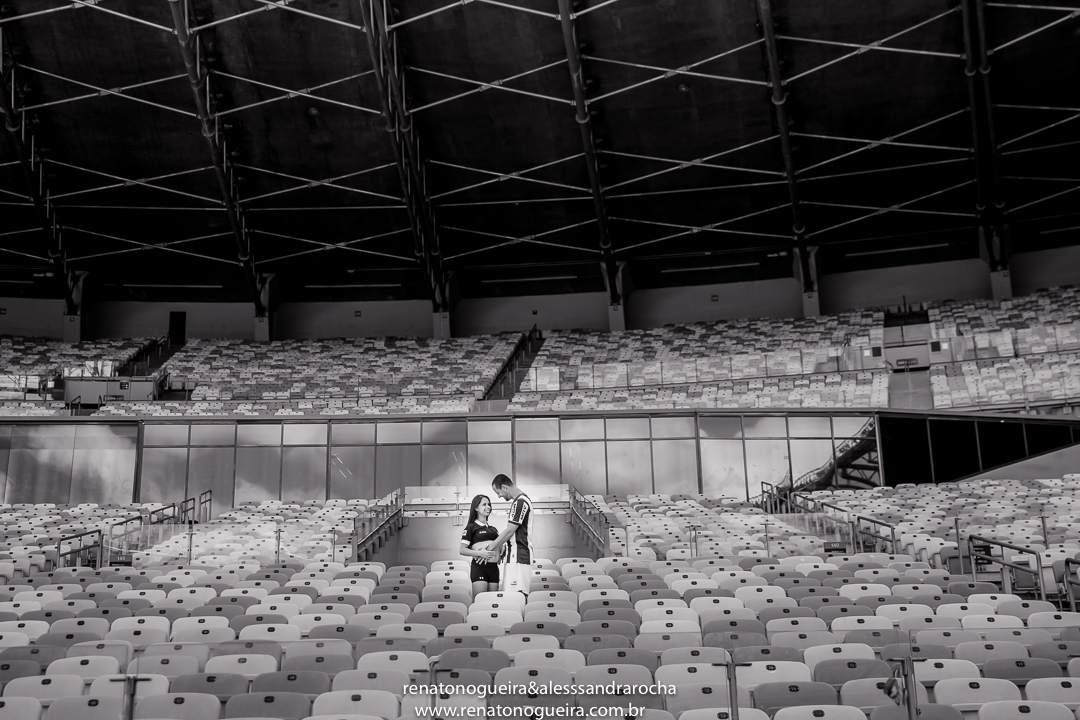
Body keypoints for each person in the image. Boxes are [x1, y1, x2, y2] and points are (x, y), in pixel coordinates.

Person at [486, 473, 532, 598]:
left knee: (517, 598)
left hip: (519, 556)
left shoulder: (521, 502)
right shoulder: (519, 502)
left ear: (505, 487)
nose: (499, 496)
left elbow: (510, 530)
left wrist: (491, 547)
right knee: (509, 597)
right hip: (513, 556)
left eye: (498, 492)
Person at [459, 494, 501, 595]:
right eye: (484, 504)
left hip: (494, 568)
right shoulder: (471, 527)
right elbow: (462, 550)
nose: (488, 507)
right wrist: (481, 554)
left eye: (489, 504)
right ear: (476, 508)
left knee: (493, 602)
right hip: (480, 568)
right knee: (480, 601)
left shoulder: (493, 529)